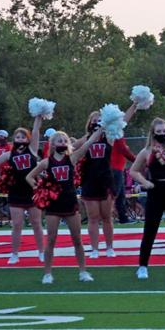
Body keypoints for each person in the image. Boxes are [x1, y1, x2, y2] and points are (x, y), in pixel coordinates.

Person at [26, 129, 99, 284]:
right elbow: (29, 176)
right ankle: (47, 274)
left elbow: (88, 143)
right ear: (52, 144)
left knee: (77, 240)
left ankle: (83, 271)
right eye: (59, 141)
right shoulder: (46, 162)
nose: (63, 143)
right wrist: (39, 187)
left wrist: (101, 128)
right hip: (53, 205)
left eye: (65, 141)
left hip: (70, 202)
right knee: (51, 240)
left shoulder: (72, 158)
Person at [75, 101, 140, 258]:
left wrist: (135, 104)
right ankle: (95, 249)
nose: (97, 121)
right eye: (94, 119)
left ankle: (110, 248)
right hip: (89, 181)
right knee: (92, 217)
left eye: (100, 119)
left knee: (106, 216)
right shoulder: (85, 140)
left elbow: (123, 120)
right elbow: (68, 149)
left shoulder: (110, 136)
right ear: (89, 123)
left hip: (106, 180)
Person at [0, 114, 46, 264]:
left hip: (32, 190)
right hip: (16, 192)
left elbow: (36, 130)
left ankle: (41, 252)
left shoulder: (32, 150)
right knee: (17, 225)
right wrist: (2, 177)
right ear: (14, 139)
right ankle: (14, 254)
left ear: (28, 139)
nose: (20, 139)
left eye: (23, 137)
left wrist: (38, 117)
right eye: (17, 137)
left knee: (37, 223)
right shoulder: (8, 154)